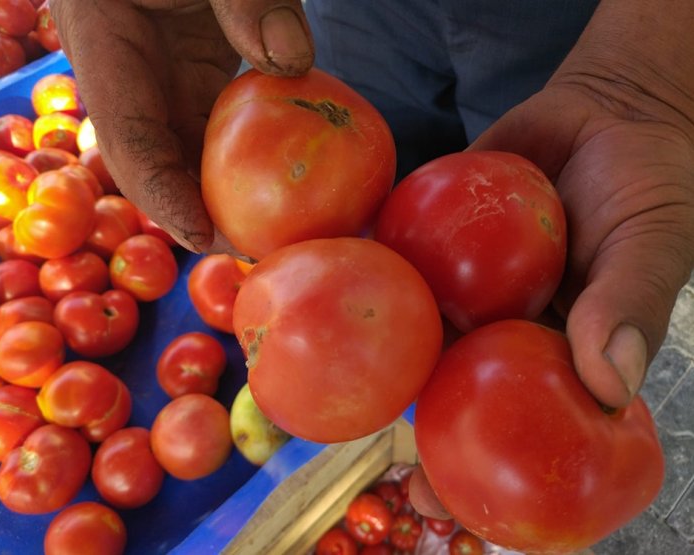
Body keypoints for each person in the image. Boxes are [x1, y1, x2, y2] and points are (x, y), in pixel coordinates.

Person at [50, 0, 694, 523]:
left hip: (577, 23)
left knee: (538, 153)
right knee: (372, 128)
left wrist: (646, 72)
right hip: (363, 15)